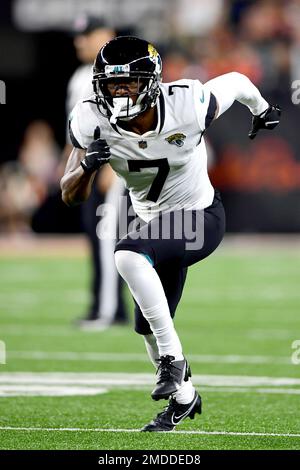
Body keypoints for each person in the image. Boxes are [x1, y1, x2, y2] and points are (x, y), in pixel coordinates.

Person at [61, 36, 281, 431]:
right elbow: (69, 193)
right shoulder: (90, 118)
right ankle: (183, 397)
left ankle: (172, 360)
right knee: (146, 323)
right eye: (112, 84)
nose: (119, 91)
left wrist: (261, 110)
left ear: (151, 81)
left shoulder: (188, 104)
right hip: (154, 223)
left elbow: (236, 81)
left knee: (127, 253)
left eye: (128, 82)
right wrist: (87, 168)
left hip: (199, 219)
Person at [63, 15, 128, 330]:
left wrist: (113, 165)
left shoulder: (120, 72)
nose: (80, 41)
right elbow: (77, 132)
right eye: (79, 36)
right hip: (88, 168)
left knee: (109, 240)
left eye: (87, 35)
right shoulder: (79, 76)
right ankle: (106, 306)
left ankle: (108, 311)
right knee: (96, 236)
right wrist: (71, 169)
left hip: (115, 170)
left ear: (107, 34)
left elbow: (127, 124)